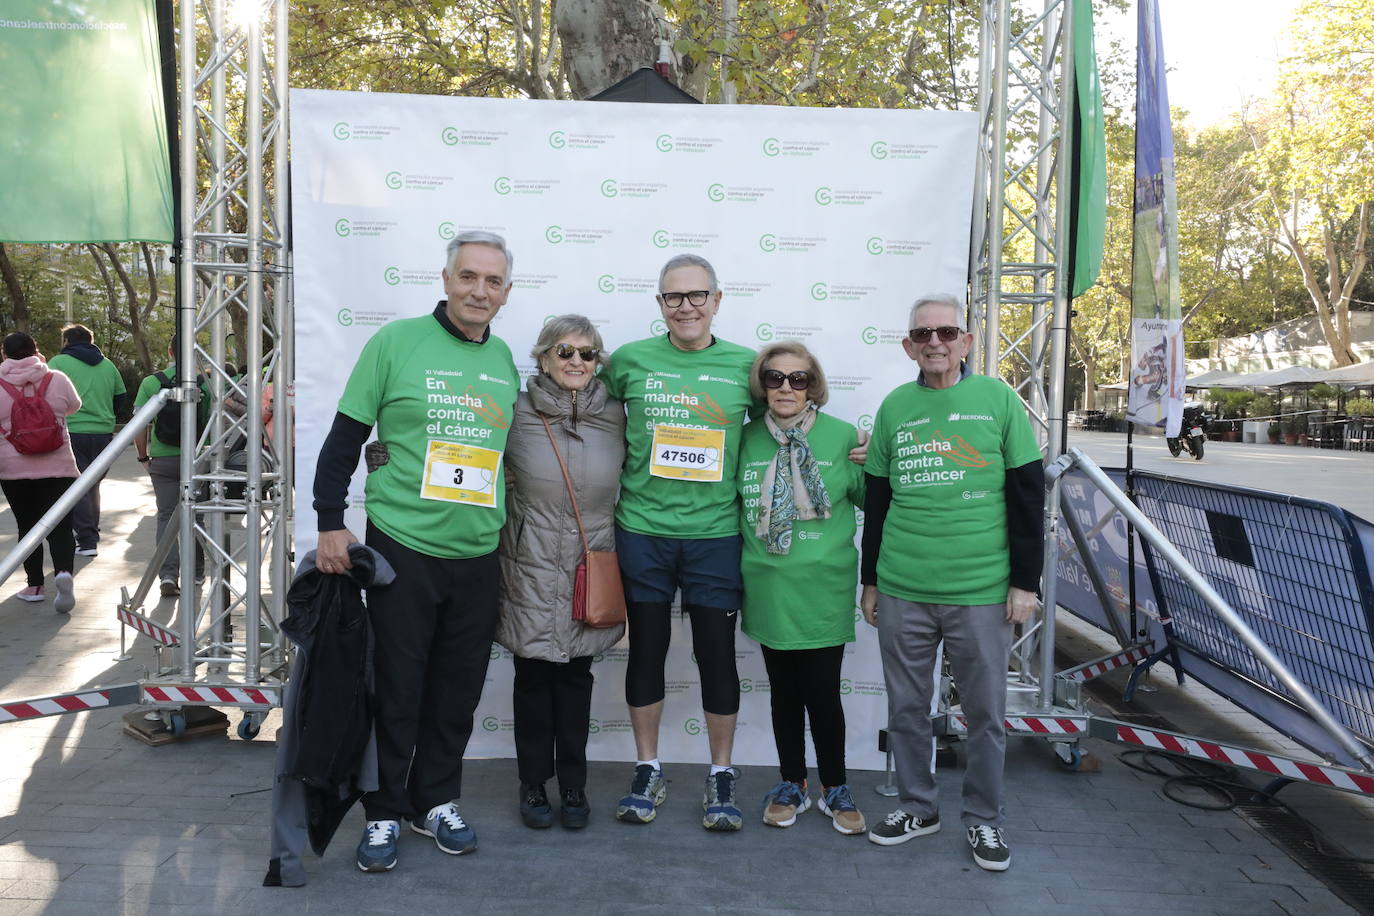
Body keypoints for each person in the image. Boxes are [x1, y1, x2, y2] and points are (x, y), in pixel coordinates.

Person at [312, 230, 520, 873]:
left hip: (480, 551)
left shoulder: (506, 359)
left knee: (457, 689)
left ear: (506, 293)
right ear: (446, 278)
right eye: (468, 277)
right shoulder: (395, 343)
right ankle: (383, 809)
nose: (478, 290)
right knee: (397, 687)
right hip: (403, 546)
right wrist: (328, 522)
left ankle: (436, 800)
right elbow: (345, 439)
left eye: (491, 281)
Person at [860, 293, 1044, 872]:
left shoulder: (997, 400)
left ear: (966, 341)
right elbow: (879, 502)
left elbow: (1027, 496)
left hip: (982, 590)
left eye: (946, 332)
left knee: (986, 713)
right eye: (923, 334)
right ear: (908, 346)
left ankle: (984, 820)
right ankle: (919, 807)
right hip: (901, 587)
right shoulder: (894, 407)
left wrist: (1024, 582)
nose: (934, 342)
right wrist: (869, 581)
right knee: (908, 706)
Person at [601, 253, 758, 831]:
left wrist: (849, 444)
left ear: (717, 300)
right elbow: (582, 410)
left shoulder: (747, 365)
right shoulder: (629, 361)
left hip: (715, 536)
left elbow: (786, 424)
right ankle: (647, 766)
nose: (686, 306)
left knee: (716, 656)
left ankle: (721, 773)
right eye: (674, 297)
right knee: (646, 652)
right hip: (642, 532)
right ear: (660, 304)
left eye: (696, 296)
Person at [494, 315, 626, 831]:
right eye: (565, 351)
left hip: (588, 568)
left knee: (576, 679)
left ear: (599, 362)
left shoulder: (617, 416)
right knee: (532, 679)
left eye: (587, 353)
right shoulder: (514, 410)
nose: (576, 362)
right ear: (544, 357)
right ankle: (532, 784)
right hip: (528, 566)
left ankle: (573, 785)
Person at [737, 342, 867, 835]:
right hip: (767, 588)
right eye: (775, 378)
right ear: (761, 384)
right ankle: (792, 782)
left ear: (814, 386)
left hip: (824, 590)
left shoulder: (844, 438)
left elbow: (880, 504)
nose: (786, 388)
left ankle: (835, 785)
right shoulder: (744, 438)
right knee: (784, 694)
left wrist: (880, 459)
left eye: (799, 379)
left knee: (823, 693)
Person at [0, 332, 82, 613]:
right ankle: (63, 575)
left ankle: (34, 585)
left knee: (27, 526)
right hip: (59, 467)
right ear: (36, 350)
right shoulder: (56, 378)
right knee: (60, 527)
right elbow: (74, 406)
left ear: (4, 354)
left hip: (13, 470)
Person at [132, 337, 205, 597]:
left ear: (170, 351)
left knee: (165, 516)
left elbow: (139, 425)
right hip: (197, 460)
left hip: (163, 459)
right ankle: (196, 573)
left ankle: (168, 575)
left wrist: (144, 457)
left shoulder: (151, 383)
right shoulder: (207, 383)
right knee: (197, 517)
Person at [47, 325, 127, 557]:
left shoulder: (58, 363)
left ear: (67, 341)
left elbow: (45, 394)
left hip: (72, 430)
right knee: (91, 483)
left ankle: (87, 539)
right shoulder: (108, 365)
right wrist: (104, 414)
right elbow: (120, 398)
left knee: (77, 485)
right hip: (103, 432)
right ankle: (91, 529)